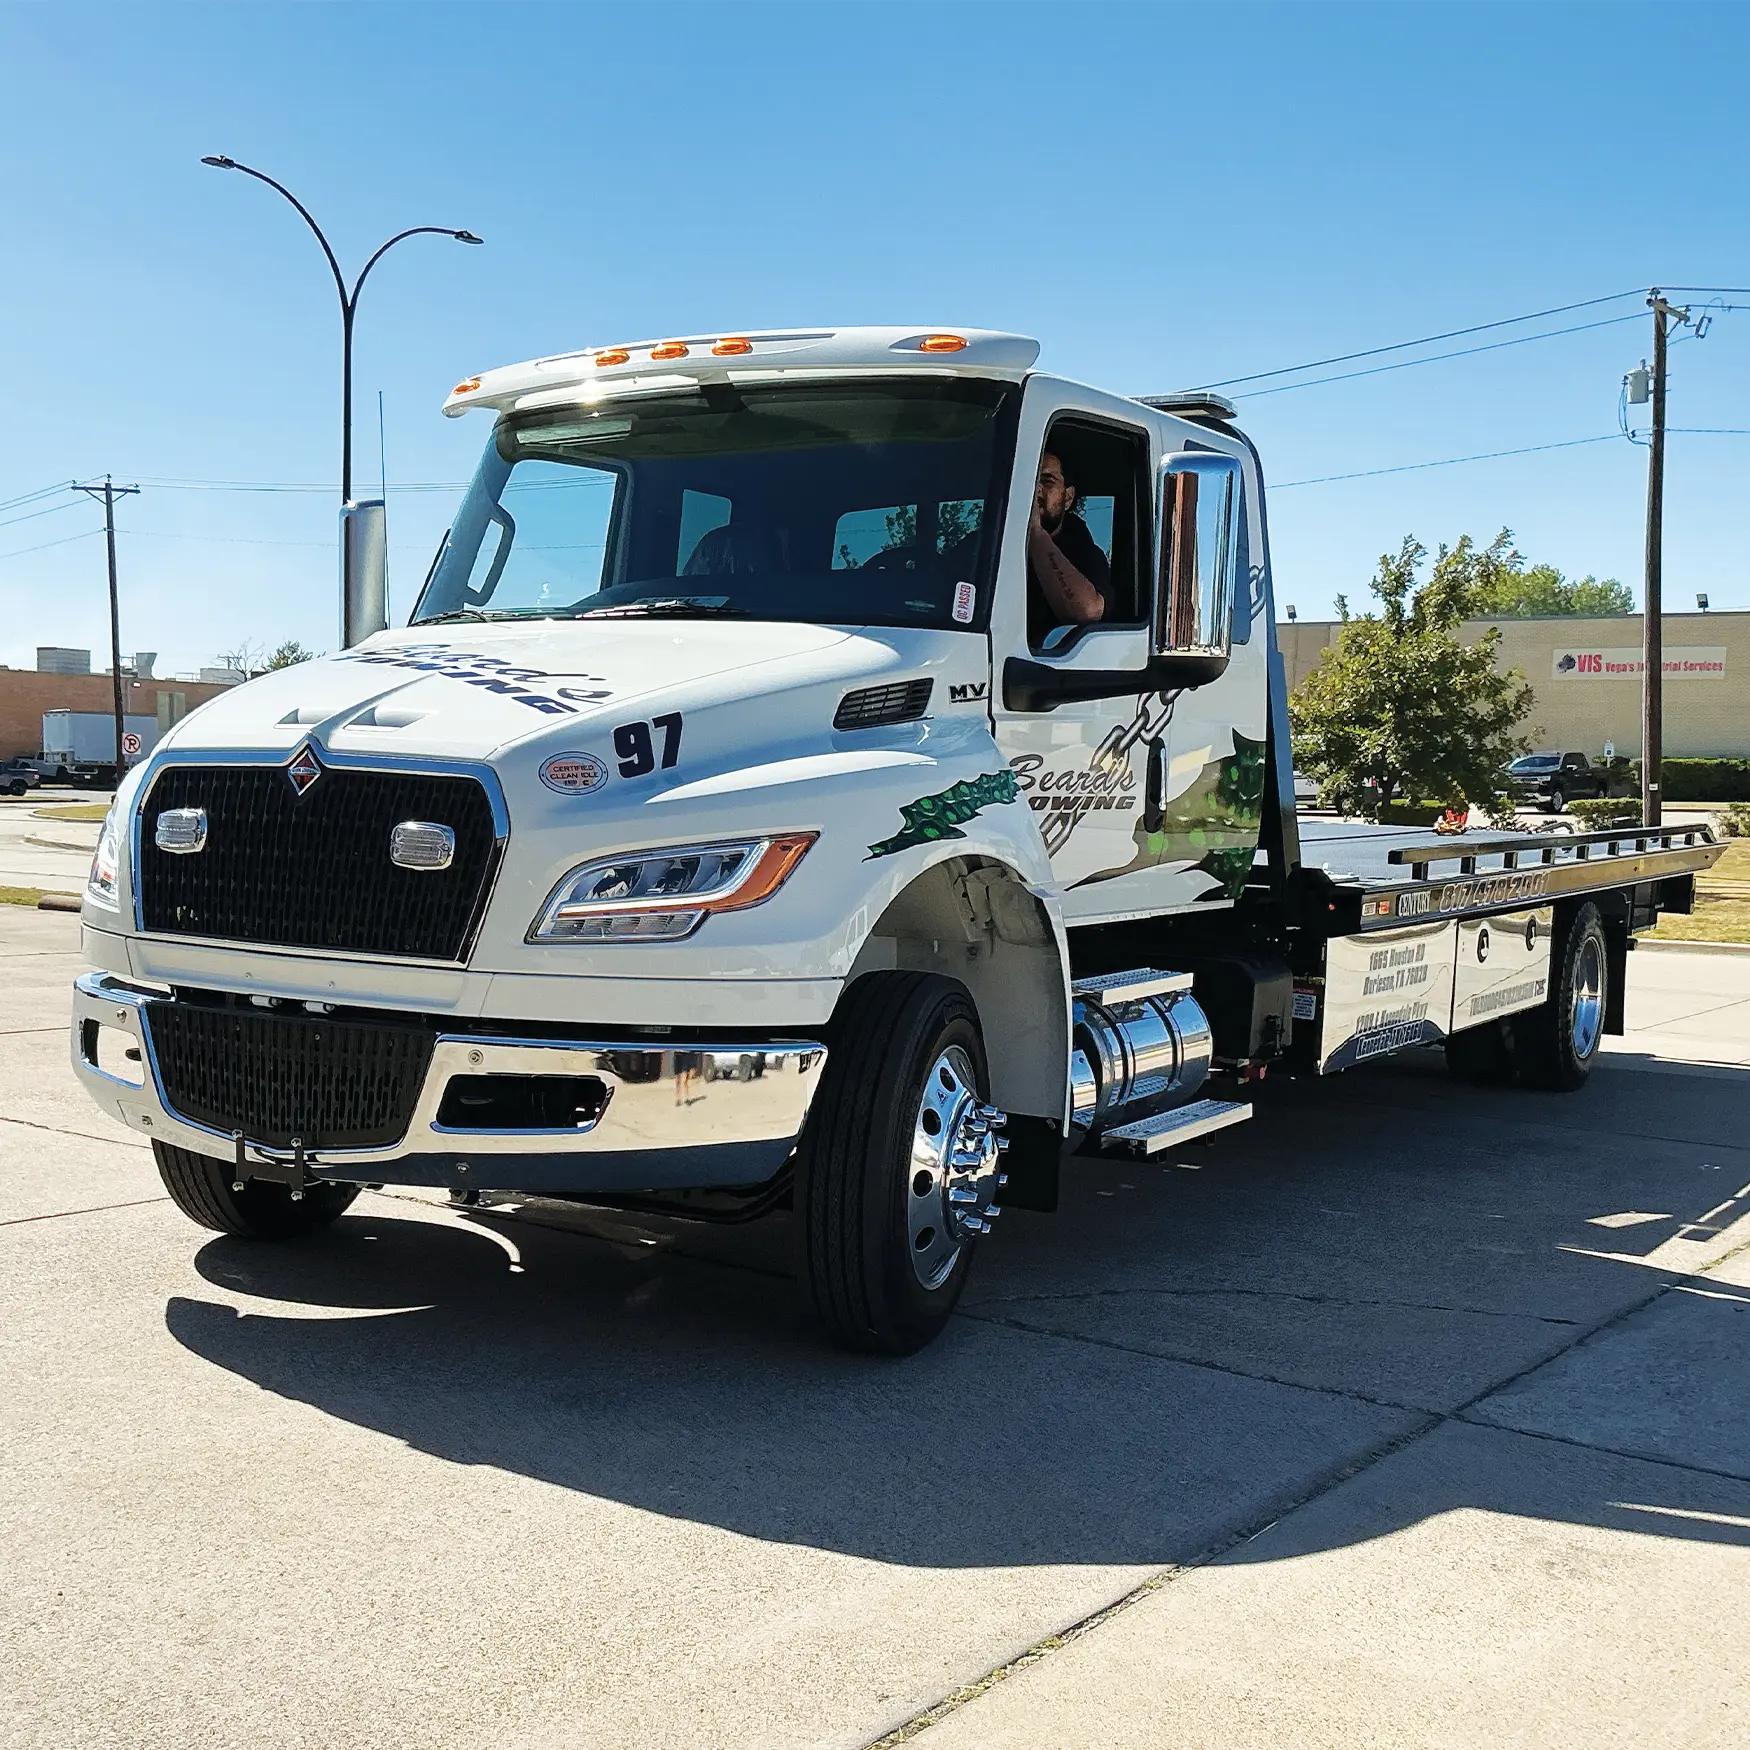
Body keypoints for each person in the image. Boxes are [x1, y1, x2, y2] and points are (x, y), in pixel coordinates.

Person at [1027, 450, 1113, 646]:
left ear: (1068, 497)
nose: (1035, 490)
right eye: (1027, 480)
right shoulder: (980, 546)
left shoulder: (1087, 554)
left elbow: (1088, 611)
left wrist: (1035, 531)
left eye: (1047, 480)